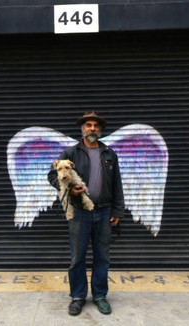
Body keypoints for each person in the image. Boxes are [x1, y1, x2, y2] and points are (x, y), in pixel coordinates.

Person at [48, 111, 125, 316]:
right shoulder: (71, 152)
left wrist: (118, 209)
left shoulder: (109, 153)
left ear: (100, 129)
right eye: (88, 125)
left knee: (102, 257)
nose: (92, 128)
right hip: (80, 212)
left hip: (104, 210)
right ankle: (78, 296)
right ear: (82, 128)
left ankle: (100, 296)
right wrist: (69, 189)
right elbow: (52, 174)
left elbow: (117, 183)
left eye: (96, 125)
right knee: (77, 257)